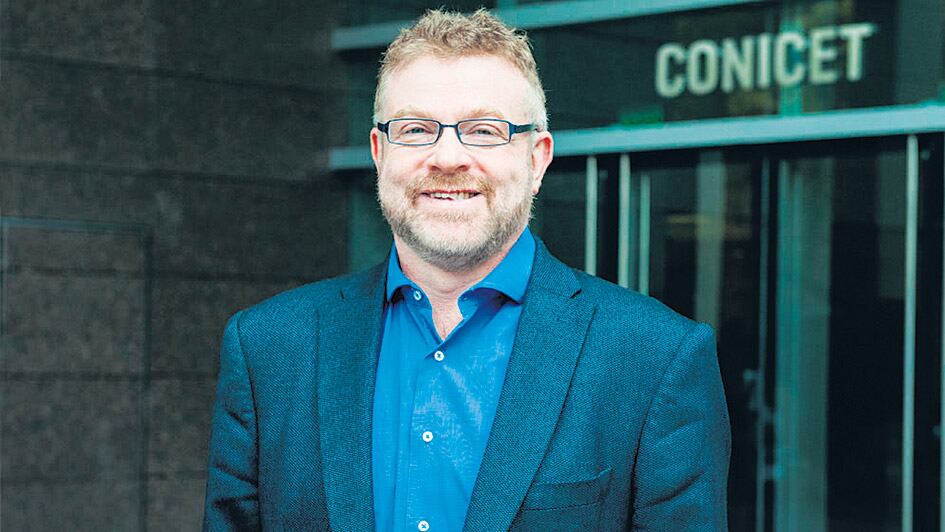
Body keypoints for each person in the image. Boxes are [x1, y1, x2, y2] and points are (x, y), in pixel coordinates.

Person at [204, 8, 730, 531]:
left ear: (538, 158)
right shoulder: (269, 350)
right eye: (415, 129)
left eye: (484, 130)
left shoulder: (656, 360)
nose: (448, 156)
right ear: (378, 151)